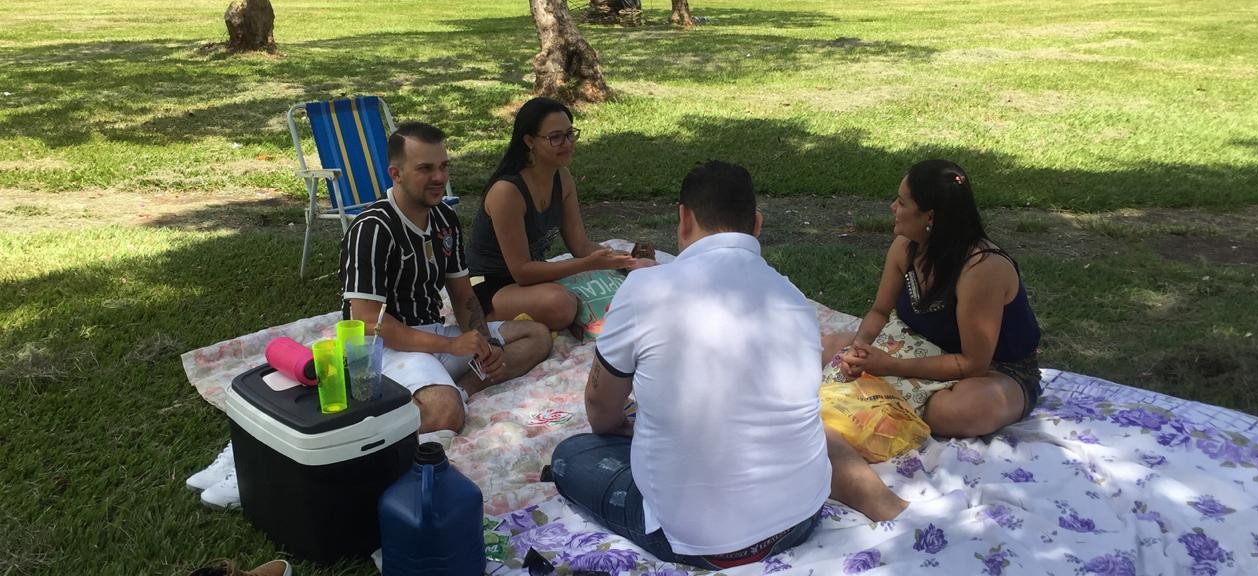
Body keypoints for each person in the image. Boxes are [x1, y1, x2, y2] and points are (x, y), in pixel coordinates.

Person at [550, 161, 909, 570]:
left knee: (571, 454)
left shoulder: (644, 288)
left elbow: (601, 411)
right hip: (799, 519)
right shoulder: (793, 298)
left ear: (684, 219)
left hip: (695, 539)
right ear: (756, 224)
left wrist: (631, 425)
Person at [339, 122, 552, 435]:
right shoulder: (372, 228)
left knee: (537, 335)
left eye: (443, 166)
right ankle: (435, 397)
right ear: (396, 174)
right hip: (386, 349)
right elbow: (370, 323)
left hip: (436, 337)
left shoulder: (445, 219)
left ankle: (462, 390)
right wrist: (451, 345)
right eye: (425, 168)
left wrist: (487, 343)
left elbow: (464, 296)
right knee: (444, 413)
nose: (439, 177)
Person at [825, 159, 1042, 438]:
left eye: (902, 203)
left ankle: (892, 397)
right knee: (822, 349)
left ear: (930, 217)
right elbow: (879, 311)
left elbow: (973, 363)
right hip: (917, 345)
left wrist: (890, 366)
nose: (893, 207)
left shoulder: (982, 269)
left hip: (992, 369)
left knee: (959, 411)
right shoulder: (905, 247)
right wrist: (861, 347)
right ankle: (892, 395)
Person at [467, 97, 650, 331]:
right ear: (529, 141)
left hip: (532, 280)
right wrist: (585, 265)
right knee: (560, 304)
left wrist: (624, 259)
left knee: (644, 270)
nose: (567, 143)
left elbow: (581, 245)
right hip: (488, 287)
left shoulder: (562, 178)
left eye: (570, 134)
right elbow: (522, 271)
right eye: (556, 137)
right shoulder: (507, 192)